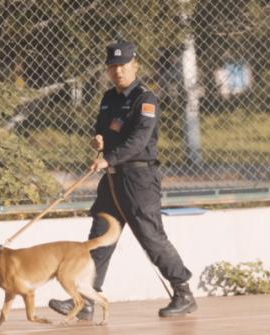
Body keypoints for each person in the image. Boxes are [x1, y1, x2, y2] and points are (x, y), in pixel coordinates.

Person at [48, 42, 197, 320]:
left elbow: (139, 140)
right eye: (113, 66)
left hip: (139, 179)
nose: (118, 71)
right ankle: (85, 300)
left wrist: (109, 157)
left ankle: (183, 292)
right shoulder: (108, 98)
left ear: (135, 65)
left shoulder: (146, 99)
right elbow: (103, 131)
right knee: (99, 238)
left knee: (151, 237)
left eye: (123, 65)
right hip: (113, 179)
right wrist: (99, 140)